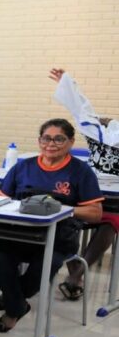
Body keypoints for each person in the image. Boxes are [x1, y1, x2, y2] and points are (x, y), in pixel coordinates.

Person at [0, 118, 103, 332]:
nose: (51, 144)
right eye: (46, 138)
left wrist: (62, 209)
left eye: (59, 139)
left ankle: (13, 306)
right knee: (0, 254)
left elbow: (95, 213)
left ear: (71, 142)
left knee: (43, 265)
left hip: (59, 237)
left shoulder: (80, 172)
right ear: (39, 141)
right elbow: (2, 201)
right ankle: (18, 304)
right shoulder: (23, 167)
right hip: (19, 233)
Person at [49, 68, 118, 301]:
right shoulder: (93, 132)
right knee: (67, 217)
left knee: (111, 221)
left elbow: (82, 109)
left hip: (113, 200)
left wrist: (68, 83)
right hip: (90, 191)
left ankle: (76, 274)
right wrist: (68, 83)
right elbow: (81, 108)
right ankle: (75, 275)